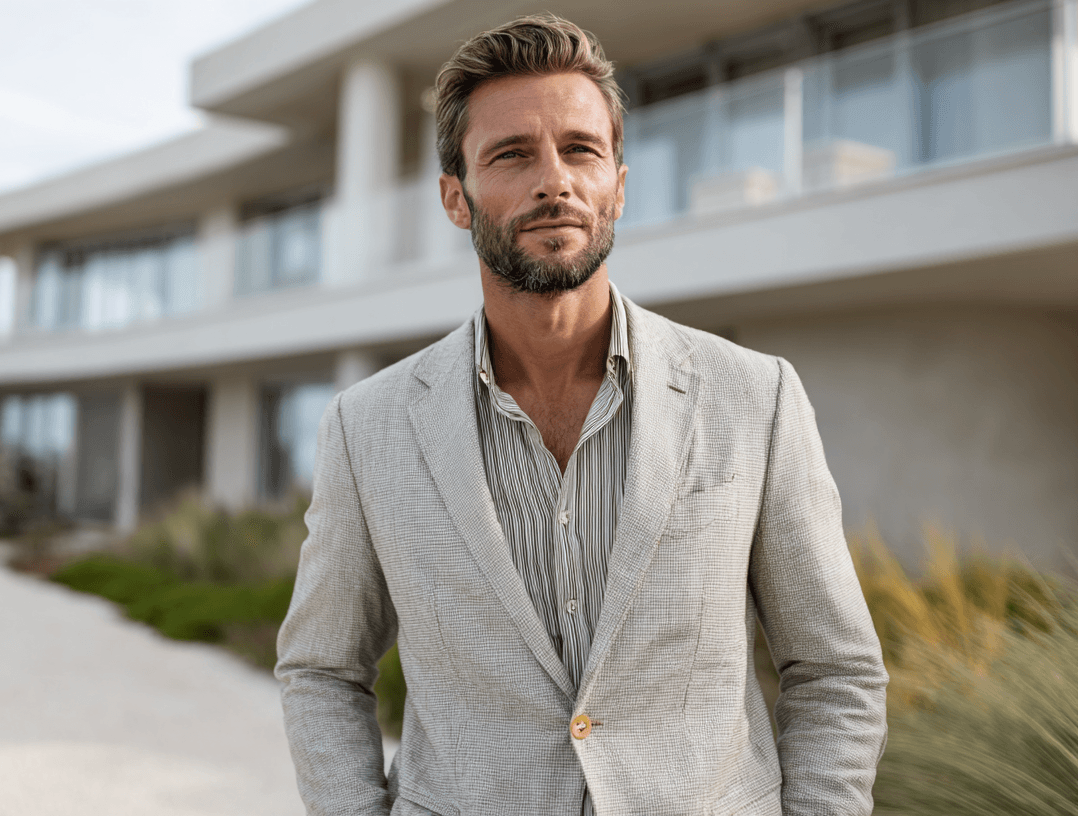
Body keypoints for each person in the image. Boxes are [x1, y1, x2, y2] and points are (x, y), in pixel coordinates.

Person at [274, 14, 887, 816]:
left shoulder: (754, 397)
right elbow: (322, 668)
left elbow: (835, 667)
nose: (554, 181)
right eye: (512, 154)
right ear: (456, 198)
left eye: (580, 150)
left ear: (618, 187)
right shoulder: (368, 428)